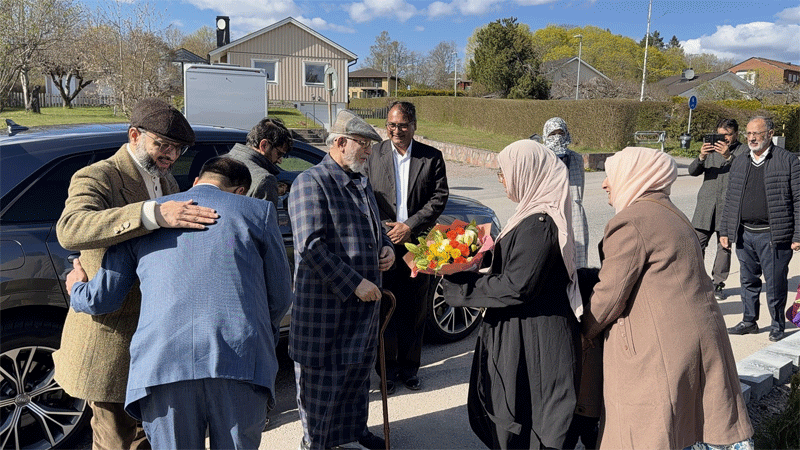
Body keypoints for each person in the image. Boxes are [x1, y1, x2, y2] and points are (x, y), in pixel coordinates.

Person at [65, 157, 293, 449]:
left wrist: (77, 287)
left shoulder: (149, 215)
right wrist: (257, 330)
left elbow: (104, 298)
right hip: (238, 356)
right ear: (239, 192)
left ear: (196, 183)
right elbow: (280, 294)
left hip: (162, 362)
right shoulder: (257, 211)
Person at [54, 98, 220, 450]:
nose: (172, 155)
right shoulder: (98, 175)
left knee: (150, 440)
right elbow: (70, 229)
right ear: (134, 135)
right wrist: (152, 213)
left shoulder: (169, 183)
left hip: (158, 340)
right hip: (110, 340)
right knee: (114, 441)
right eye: (163, 144)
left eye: (179, 148)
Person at [582, 146, 753, 450]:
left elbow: (609, 296)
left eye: (611, 176)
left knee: (649, 433)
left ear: (634, 176)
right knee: (688, 429)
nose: (605, 183)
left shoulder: (631, 221)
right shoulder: (669, 211)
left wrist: (585, 331)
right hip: (690, 341)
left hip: (659, 349)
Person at [442, 140, 581, 450]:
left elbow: (519, 285)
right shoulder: (531, 213)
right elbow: (521, 265)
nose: (502, 180)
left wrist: (461, 288)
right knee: (517, 411)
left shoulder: (540, 222)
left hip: (535, 337)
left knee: (531, 417)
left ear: (526, 172)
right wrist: (474, 260)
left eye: (504, 172)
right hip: (524, 329)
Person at [288, 110, 395, 450]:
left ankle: (355, 432)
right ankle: (315, 444)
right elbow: (310, 246)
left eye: (369, 145)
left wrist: (387, 248)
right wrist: (354, 283)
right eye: (363, 144)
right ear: (339, 142)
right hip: (326, 313)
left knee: (356, 378)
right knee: (321, 386)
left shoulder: (361, 182)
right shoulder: (311, 182)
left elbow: (376, 230)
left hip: (362, 310)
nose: (368, 151)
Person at [365, 100, 449, 394]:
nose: (396, 131)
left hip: (419, 243)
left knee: (415, 309)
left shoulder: (432, 157)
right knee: (386, 306)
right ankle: (386, 372)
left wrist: (410, 224)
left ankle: (410, 370)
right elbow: (364, 197)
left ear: (414, 126)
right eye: (391, 125)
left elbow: (439, 198)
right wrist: (385, 230)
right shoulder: (373, 154)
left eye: (402, 125)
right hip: (383, 243)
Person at [721, 116, 800, 342]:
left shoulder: (787, 160)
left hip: (773, 235)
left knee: (775, 283)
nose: (752, 138)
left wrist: (798, 235)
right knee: (748, 281)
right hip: (745, 234)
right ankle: (749, 320)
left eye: (757, 133)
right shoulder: (740, 160)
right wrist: (726, 231)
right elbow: (731, 199)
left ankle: (777, 325)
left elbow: (798, 199)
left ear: (769, 134)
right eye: (748, 133)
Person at [687, 118, 746, 299]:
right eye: (720, 135)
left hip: (728, 206)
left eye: (727, 135)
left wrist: (729, 156)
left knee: (724, 246)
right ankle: (695, 281)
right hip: (706, 205)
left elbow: (745, 172)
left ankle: (717, 283)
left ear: (736, 134)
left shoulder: (743, 151)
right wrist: (701, 157)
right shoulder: (711, 149)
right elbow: (692, 171)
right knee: (696, 244)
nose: (723, 139)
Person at [542, 117, 589, 268]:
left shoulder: (576, 159)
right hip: (549, 212)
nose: (557, 137)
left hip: (574, 214)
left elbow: (579, 187)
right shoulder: (542, 158)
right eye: (552, 133)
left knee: (578, 263)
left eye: (560, 132)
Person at [226, 117, 293, 207]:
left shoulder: (213, 165)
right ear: (264, 145)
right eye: (279, 154)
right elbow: (265, 220)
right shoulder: (264, 180)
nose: (280, 161)